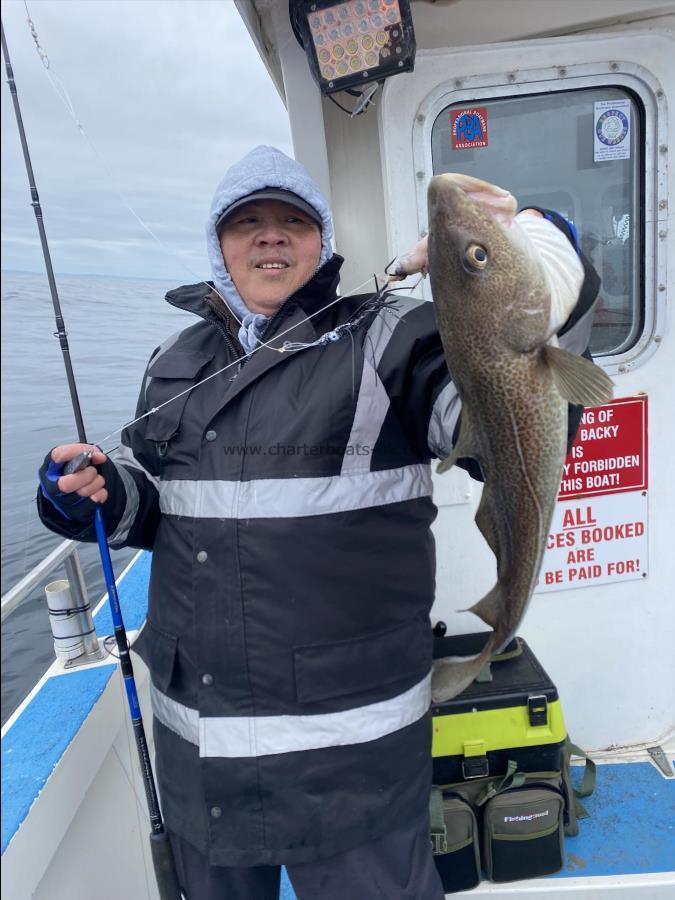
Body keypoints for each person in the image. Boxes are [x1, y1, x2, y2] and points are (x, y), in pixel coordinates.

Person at [37, 145, 600, 900]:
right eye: (248, 222)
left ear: (321, 241)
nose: (270, 236)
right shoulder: (171, 361)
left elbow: (488, 419)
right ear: (219, 243)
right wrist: (101, 498)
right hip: (199, 755)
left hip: (353, 761)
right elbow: (164, 512)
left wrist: (550, 256)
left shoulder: (396, 341)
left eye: (291, 221)